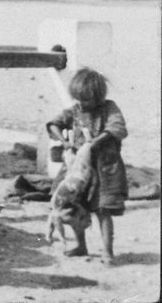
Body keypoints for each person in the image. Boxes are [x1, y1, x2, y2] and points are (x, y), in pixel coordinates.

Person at [46, 67, 128, 265]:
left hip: (104, 170)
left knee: (103, 210)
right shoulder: (74, 111)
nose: (82, 104)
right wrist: (65, 143)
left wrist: (94, 143)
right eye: (78, 99)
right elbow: (54, 124)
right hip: (78, 171)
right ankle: (81, 245)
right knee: (74, 206)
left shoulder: (109, 108)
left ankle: (108, 252)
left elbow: (117, 128)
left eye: (86, 100)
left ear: (98, 97)